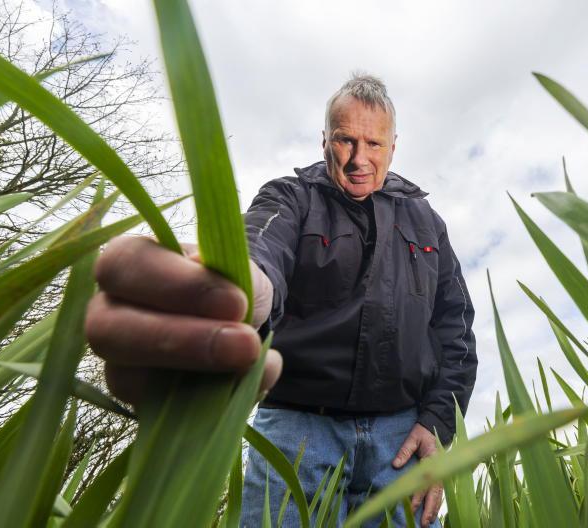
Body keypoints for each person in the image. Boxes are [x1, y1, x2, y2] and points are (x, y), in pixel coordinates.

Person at [85, 74, 477, 527]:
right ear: (324, 139)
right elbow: (261, 248)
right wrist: (239, 289)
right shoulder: (290, 197)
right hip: (296, 431)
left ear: (394, 146)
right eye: (345, 140)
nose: (359, 159)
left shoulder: (427, 221)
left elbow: (456, 329)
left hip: (401, 438)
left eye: (374, 143)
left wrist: (437, 424)